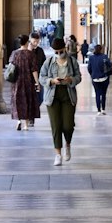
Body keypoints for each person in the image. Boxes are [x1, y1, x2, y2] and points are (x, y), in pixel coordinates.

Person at [39, 37, 81, 165]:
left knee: (68, 125)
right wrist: (51, 81)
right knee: (56, 126)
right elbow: (42, 78)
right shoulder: (49, 62)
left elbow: (78, 77)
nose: (58, 54)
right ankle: (58, 154)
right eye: (56, 52)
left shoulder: (72, 61)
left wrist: (71, 80)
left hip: (68, 94)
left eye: (60, 51)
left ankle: (67, 144)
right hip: (53, 96)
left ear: (65, 49)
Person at [7, 33, 41, 131]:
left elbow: (11, 66)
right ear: (27, 42)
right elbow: (34, 69)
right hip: (28, 82)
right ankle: (26, 124)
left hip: (16, 82)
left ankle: (18, 121)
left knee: (17, 100)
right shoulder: (30, 54)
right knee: (27, 101)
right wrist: (37, 82)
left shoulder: (14, 53)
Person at [87, 43, 112, 113]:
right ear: (101, 49)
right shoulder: (104, 57)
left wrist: (93, 74)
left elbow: (89, 68)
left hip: (95, 78)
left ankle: (98, 110)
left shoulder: (91, 58)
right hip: (104, 78)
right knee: (103, 94)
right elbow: (110, 65)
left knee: (97, 94)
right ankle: (103, 109)